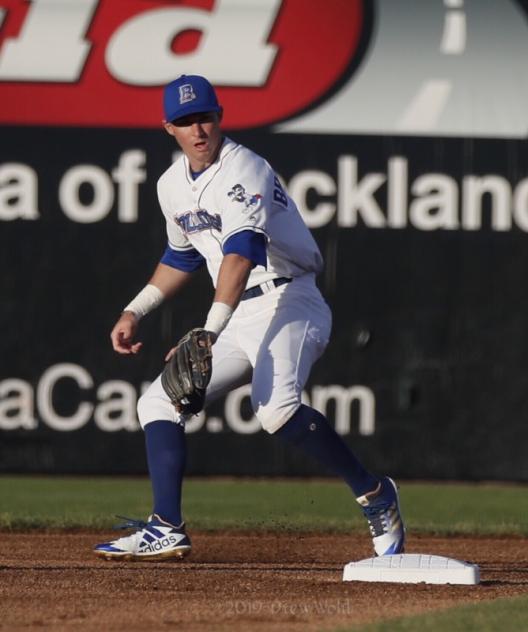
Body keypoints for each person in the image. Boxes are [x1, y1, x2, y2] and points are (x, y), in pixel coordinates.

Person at [94, 75, 405, 561]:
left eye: (205, 117)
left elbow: (240, 255)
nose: (197, 129)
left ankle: (375, 494)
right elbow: (182, 257)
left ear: (220, 116)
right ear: (167, 128)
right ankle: (166, 525)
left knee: (275, 410)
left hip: (291, 300)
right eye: (184, 122)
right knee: (158, 402)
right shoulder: (171, 185)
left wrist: (207, 332)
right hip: (238, 310)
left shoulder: (244, 170)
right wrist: (136, 309)